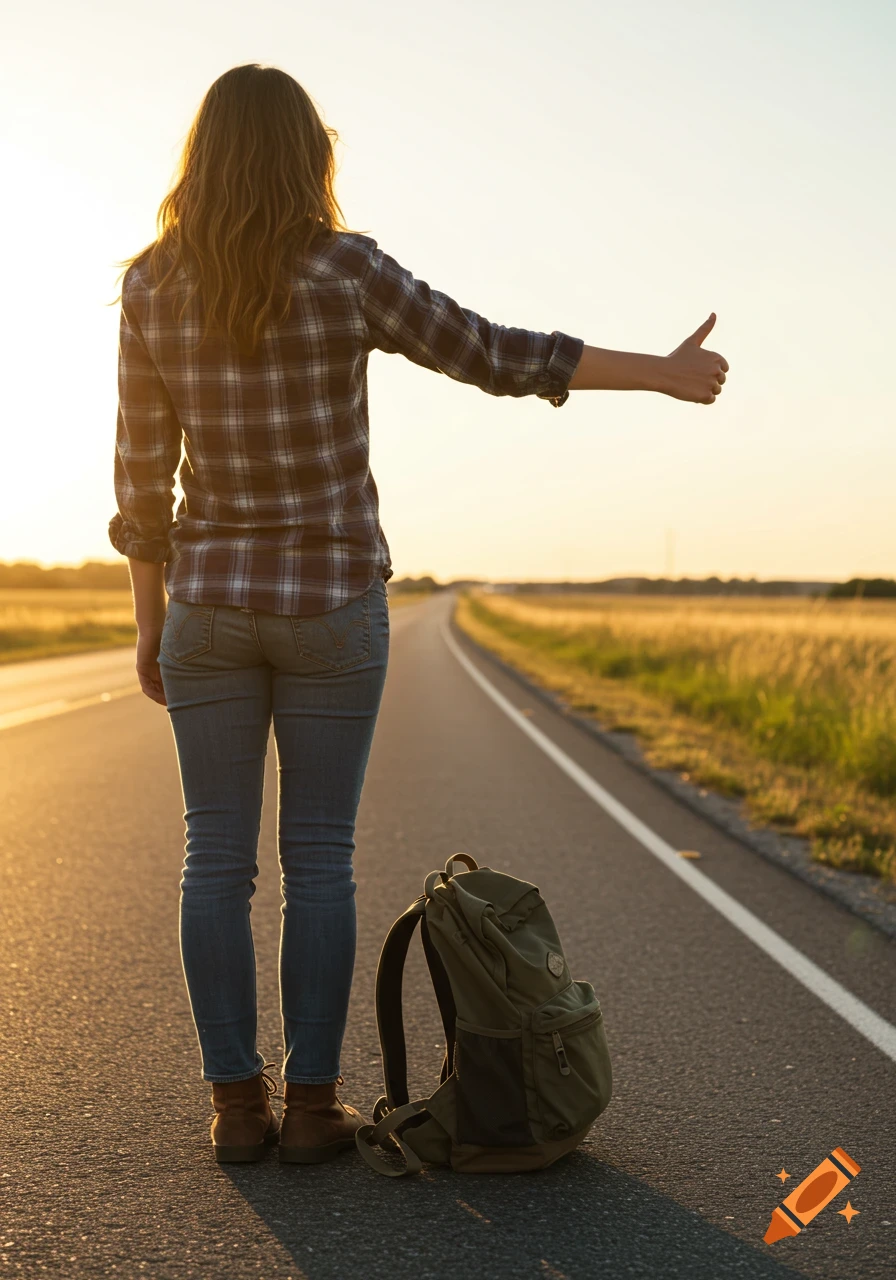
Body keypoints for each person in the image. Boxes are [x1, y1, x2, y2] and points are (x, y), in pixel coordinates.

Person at [107, 63, 728, 1166]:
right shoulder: (345, 270)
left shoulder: (151, 283)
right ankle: (308, 1108)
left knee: (214, 860)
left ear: (199, 156)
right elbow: (491, 350)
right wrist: (660, 372)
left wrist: (149, 620)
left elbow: (140, 483)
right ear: (310, 155)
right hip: (333, 604)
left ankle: (233, 1107)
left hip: (208, 602)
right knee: (319, 859)